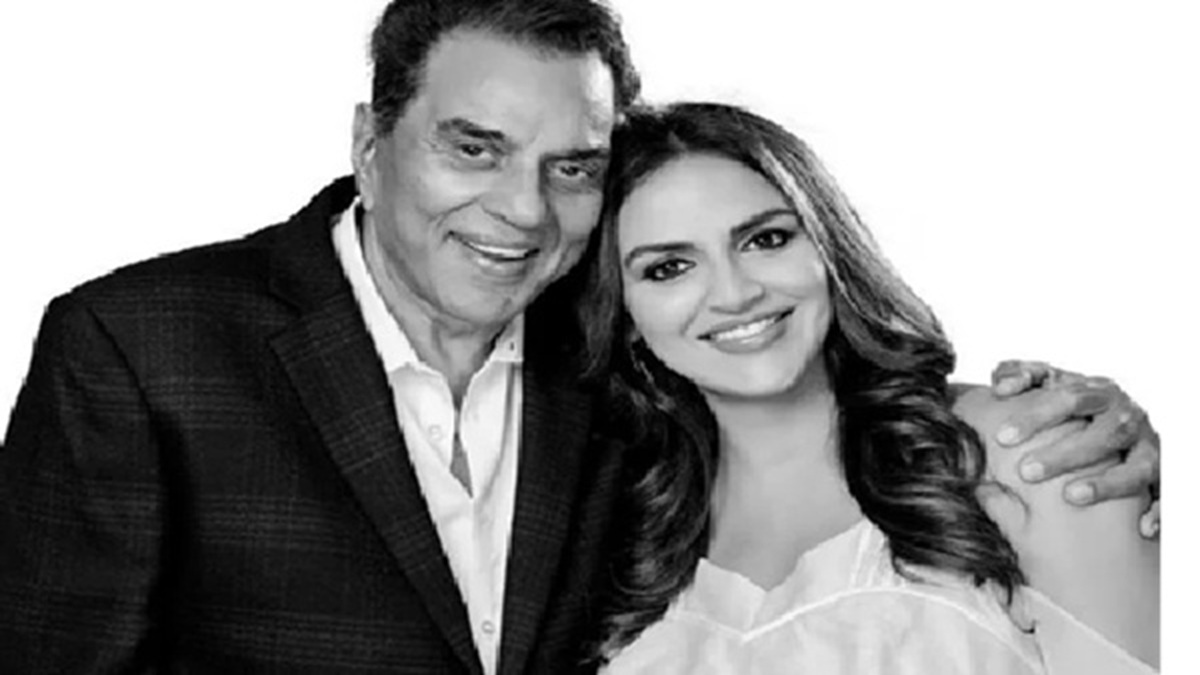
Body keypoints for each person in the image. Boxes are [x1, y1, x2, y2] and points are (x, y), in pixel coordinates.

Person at [0, 1, 1158, 673]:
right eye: (474, 148)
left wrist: (1099, 424)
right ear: (368, 141)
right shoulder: (145, 346)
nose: (520, 210)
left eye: (571, 167)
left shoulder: (608, 383)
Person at [579, 102, 1158, 673]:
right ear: (624, 314)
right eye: (669, 268)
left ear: (828, 245)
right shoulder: (614, 536)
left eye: (766, 239)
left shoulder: (1025, 448)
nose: (735, 294)